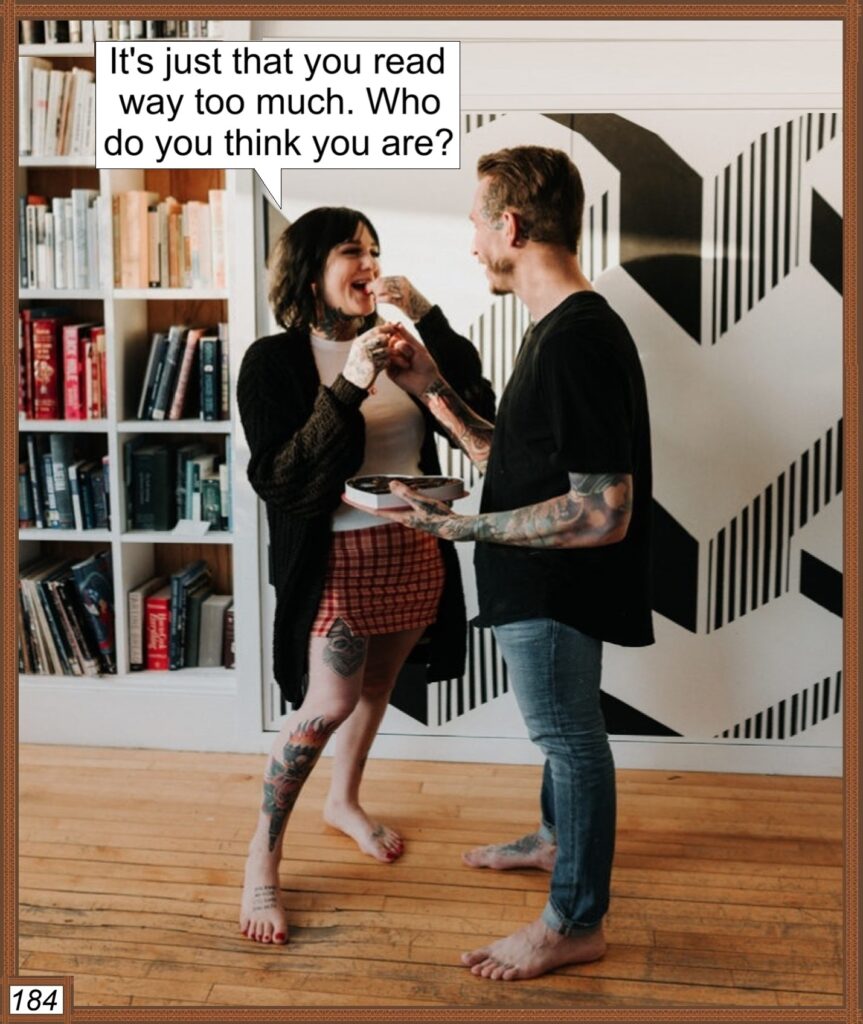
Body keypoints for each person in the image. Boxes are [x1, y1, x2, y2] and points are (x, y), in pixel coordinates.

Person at [376, 146, 654, 981]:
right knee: (560, 735)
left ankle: (574, 922)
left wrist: (459, 528)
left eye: (474, 225)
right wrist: (431, 387)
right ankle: (554, 841)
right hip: (534, 583)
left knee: (569, 740)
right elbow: (515, 459)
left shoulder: (578, 340)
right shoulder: (555, 331)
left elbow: (602, 511)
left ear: (510, 224)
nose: (470, 244)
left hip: (556, 591)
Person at [236, 206, 494, 945]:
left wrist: (428, 321)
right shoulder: (272, 361)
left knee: (378, 688)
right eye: (352, 250)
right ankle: (262, 855)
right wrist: (348, 384)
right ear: (310, 270)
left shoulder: (399, 343)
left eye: (375, 249)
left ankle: (342, 802)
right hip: (335, 562)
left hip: (414, 549)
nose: (370, 263)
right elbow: (280, 478)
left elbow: (478, 410)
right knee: (328, 704)